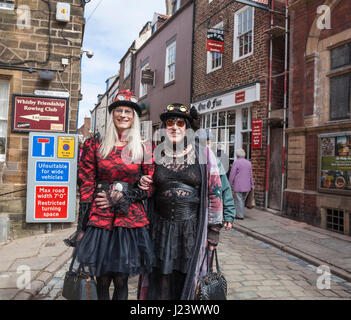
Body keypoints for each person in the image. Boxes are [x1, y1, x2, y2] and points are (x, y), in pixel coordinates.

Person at [65, 90, 155, 300]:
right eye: (119, 110)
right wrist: (81, 227)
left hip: (129, 220)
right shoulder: (94, 144)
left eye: (128, 112)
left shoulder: (144, 147)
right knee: (102, 278)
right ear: (112, 114)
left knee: (122, 279)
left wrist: (125, 196)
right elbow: (86, 186)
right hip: (100, 218)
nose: (123, 115)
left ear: (134, 117)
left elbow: (150, 188)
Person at [138, 104, 223, 300]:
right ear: (164, 128)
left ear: (187, 128)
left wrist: (214, 230)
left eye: (180, 123)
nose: (174, 127)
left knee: (189, 277)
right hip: (160, 229)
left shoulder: (204, 154)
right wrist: (144, 183)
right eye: (170, 122)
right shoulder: (155, 154)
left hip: (191, 229)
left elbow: (215, 191)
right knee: (162, 277)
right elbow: (149, 188)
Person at [201, 130, 235, 230]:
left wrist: (228, 214)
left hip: (211, 213)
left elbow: (224, 189)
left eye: (207, 142)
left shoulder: (215, 163)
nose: (205, 145)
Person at [228, 148, 254, 220]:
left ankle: (239, 215)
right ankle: (240, 213)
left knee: (238, 200)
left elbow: (232, 174)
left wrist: (229, 184)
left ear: (237, 155)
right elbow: (251, 175)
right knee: (242, 200)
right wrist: (252, 185)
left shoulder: (236, 163)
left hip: (239, 185)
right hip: (247, 186)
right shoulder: (249, 163)